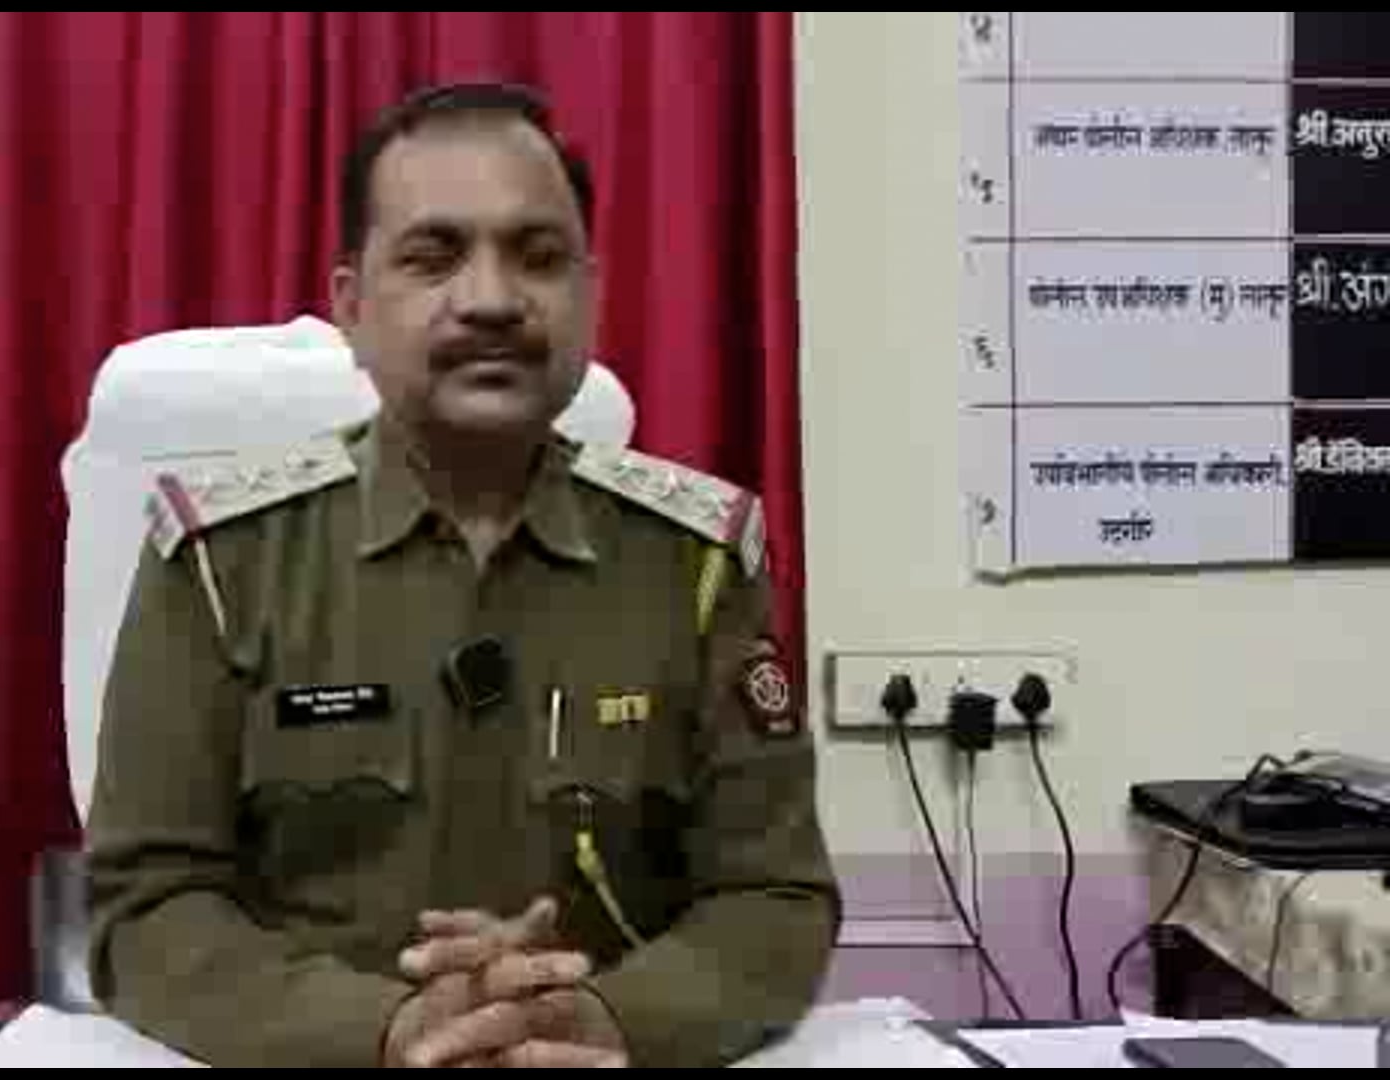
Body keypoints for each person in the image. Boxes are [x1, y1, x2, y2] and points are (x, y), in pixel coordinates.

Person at [85, 81, 840, 1068]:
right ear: (351, 308)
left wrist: (612, 1017)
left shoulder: (695, 563)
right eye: (433, 256)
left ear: (590, 295)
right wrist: (385, 1029)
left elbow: (774, 897)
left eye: (538, 256)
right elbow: (147, 909)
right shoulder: (223, 563)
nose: (490, 299)